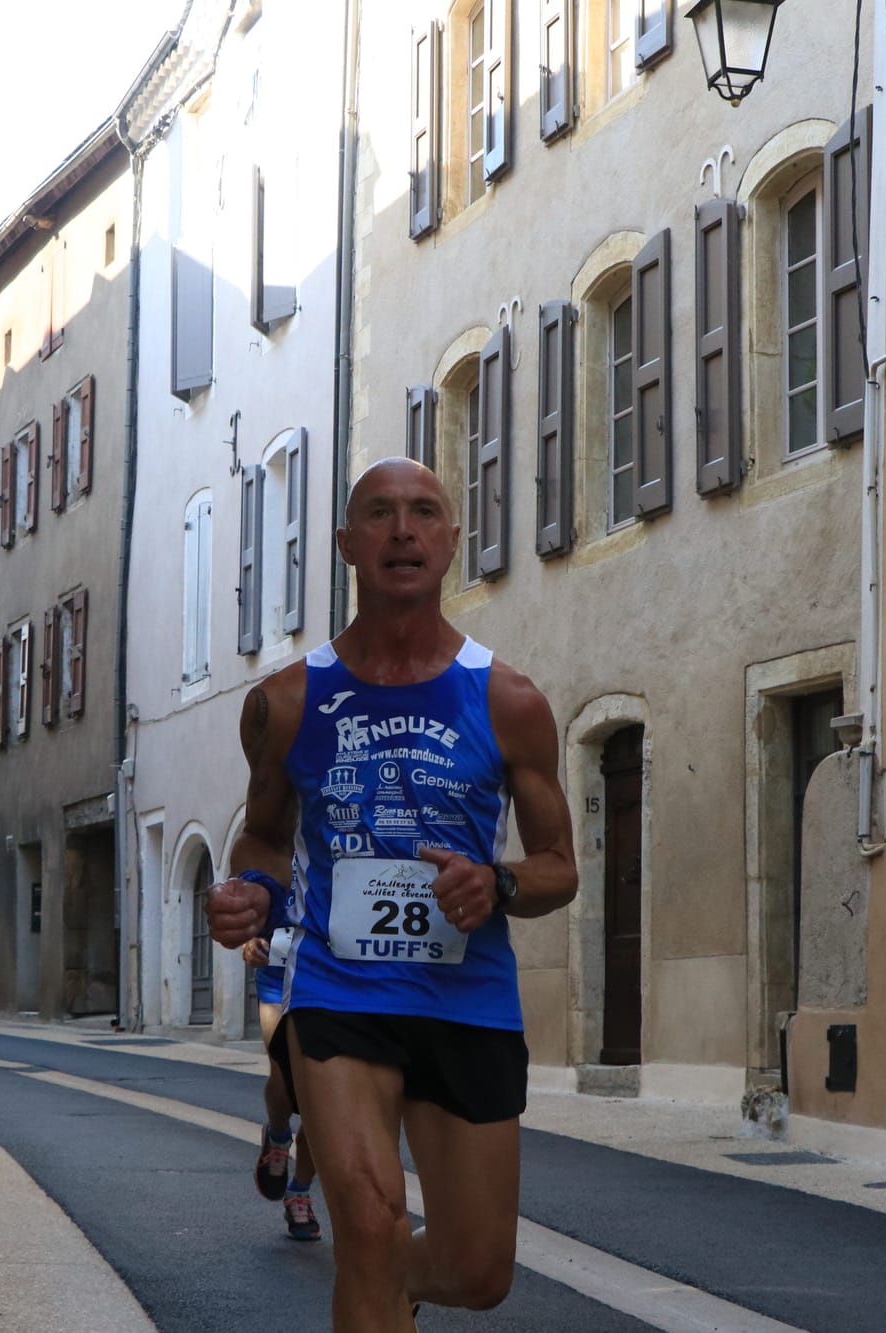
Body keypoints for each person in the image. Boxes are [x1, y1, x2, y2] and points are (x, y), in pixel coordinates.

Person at [208, 457, 577, 1330]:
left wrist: (497, 882)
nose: (403, 530)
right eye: (378, 513)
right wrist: (253, 889)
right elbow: (263, 835)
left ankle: (384, 1286)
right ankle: (374, 1275)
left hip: (467, 1000)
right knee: (369, 1230)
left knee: (477, 1270)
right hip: (339, 994)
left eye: (423, 513)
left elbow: (559, 865)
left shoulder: (510, 700)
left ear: (451, 541)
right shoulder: (286, 701)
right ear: (346, 543)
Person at [241, 935, 321, 1242]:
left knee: (320, 1099)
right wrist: (249, 941)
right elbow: (246, 912)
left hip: (331, 981)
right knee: (284, 1072)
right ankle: (278, 1136)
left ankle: (299, 1192)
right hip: (278, 976)